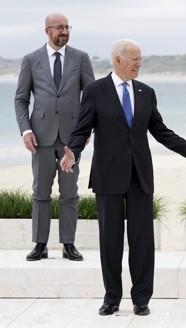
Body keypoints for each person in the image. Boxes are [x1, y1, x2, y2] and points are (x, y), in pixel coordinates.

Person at [60, 39, 186, 316]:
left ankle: (141, 298)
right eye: (135, 58)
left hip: (140, 175)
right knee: (110, 239)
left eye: (140, 59)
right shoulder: (96, 91)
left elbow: (161, 130)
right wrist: (72, 150)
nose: (139, 63)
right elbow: (82, 128)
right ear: (118, 60)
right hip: (108, 175)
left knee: (142, 240)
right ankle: (111, 298)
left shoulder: (146, 92)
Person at [14, 13, 95, 261]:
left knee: (69, 192)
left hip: (72, 139)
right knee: (40, 192)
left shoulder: (80, 58)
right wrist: (26, 130)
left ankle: (68, 244)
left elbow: (90, 97)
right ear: (47, 30)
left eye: (67, 27)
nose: (64, 32)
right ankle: (40, 244)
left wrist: (85, 130)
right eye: (59, 28)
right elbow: (21, 99)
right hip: (40, 137)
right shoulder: (31, 60)